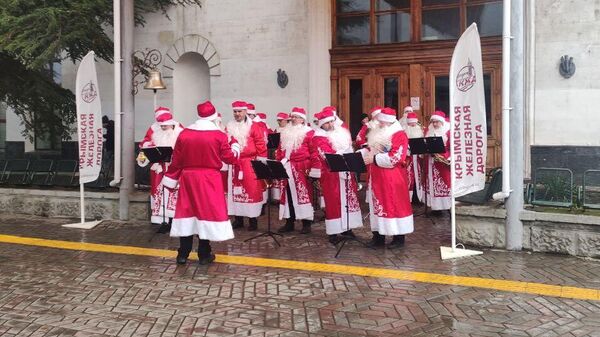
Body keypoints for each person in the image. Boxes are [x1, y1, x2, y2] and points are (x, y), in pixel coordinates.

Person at [161, 101, 240, 265]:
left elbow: (177, 160)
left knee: (187, 213)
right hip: (210, 179)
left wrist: (171, 177)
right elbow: (230, 158)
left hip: (189, 178)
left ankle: (183, 254)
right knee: (206, 214)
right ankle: (204, 254)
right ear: (213, 117)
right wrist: (235, 146)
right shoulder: (219, 135)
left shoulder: (185, 134)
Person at [360, 107, 414, 249]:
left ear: (388, 122)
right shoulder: (379, 132)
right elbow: (372, 148)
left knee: (394, 205)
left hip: (391, 177)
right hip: (376, 175)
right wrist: (362, 153)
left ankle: (398, 238)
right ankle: (378, 237)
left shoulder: (399, 134)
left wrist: (375, 158)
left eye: (381, 122)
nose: (379, 124)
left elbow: (397, 157)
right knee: (377, 206)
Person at [310, 109, 362, 244]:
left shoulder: (340, 133)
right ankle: (333, 232)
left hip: (346, 171)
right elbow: (326, 155)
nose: (331, 125)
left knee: (348, 200)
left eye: (332, 121)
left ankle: (347, 228)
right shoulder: (318, 137)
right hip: (331, 174)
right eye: (327, 123)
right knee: (333, 202)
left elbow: (349, 147)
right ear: (321, 124)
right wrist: (344, 152)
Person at [136, 107, 184, 232]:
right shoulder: (154, 130)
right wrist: (148, 148)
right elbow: (145, 143)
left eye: (165, 126)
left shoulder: (180, 131)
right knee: (159, 193)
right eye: (161, 126)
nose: (163, 128)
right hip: (159, 169)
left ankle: (174, 219)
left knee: (173, 194)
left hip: (175, 169)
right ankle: (163, 219)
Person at [226, 100, 267, 231]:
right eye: (235, 111)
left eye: (239, 111)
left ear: (245, 112)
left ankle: (252, 220)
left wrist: (260, 162)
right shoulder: (229, 126)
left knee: (251, 190)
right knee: (235, 192)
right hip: (234, 164)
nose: (237, 114)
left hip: (249, 163)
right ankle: (238, 219)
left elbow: (261, 144)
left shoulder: (254, 126)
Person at [276, 107, 315, 234]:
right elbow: (280, 149)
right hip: (287, 166)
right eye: (292, 116)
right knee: (288, 195)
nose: (293, 119)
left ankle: (306, 223)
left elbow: (313, 151)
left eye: (296, 117)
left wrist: (312, 168)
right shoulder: (285, 132)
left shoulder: (309, 132)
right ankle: (289, 221)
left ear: (302, 119)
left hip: (302, 167)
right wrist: (280, 161)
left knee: (304, 195)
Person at [424, 110, 451, 212]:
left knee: (444, 184)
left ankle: (447, 206)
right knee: (432, 184)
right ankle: (435, 208)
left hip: (442, 162)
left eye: (437, 122)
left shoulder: (448, 131)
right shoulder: (428, 131)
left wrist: (445, 156)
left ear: (442, 122)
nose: (434, 124)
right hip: (431, 161)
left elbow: (452, 148)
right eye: (433, 122)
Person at [405, 112, 425, 202]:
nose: (412, 125)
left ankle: (418, 197)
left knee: (419, 177)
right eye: (410, 123)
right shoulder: (404, 132)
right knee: (409, 178)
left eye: (414, 123)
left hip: (418, 159)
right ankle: (409, 198)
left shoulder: (420, 131)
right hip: (408, 159)